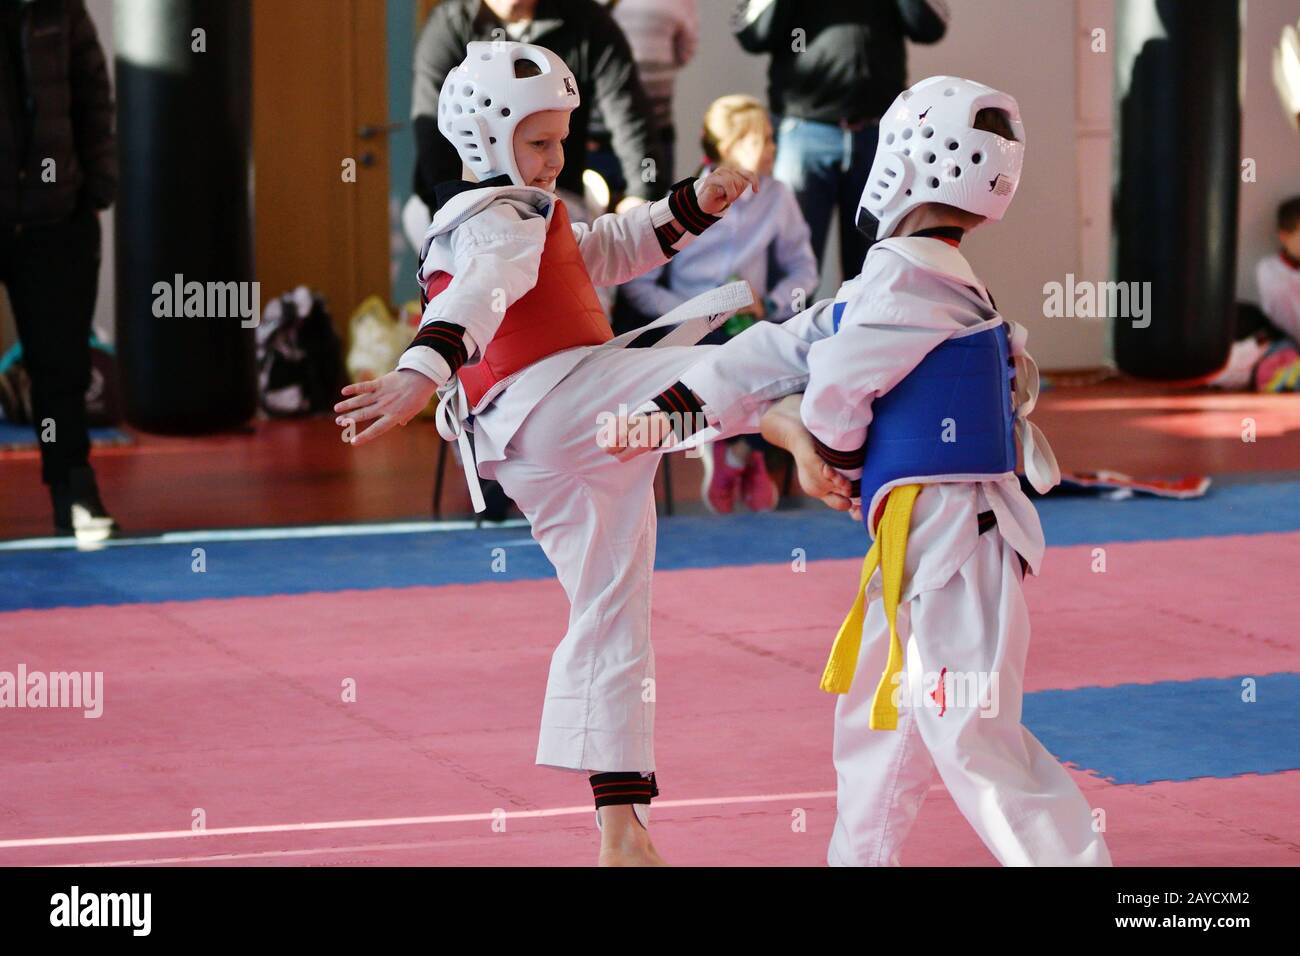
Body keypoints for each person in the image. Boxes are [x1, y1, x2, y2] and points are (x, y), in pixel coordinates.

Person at [334, 41, 837, 866]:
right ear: (486, 141)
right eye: (539, 142)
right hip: (563, 401)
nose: (556, 155)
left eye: (562, 138)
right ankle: (813, 389)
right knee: (755, 355)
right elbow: (484, 287)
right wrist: (421, 370)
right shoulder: (492, 220)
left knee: (611, 616)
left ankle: (621, 827)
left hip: (549, 445)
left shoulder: (530, 211)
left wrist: (692, 206)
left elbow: (604, 251)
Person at [612, 76, 1113, 867]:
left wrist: (830, 453)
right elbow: (787, 345)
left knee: (970, 733)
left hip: (953, 537)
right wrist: (670, 410)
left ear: (902, 162)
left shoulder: (905, 280)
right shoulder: (913, 275)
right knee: (883, 722)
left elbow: (837, 384)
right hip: (925, 540)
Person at [621, 93, 817, 512]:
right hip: (692, 327)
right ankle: (740, 452)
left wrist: (771, 303)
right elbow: (638, 286)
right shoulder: (683, 199)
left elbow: (804, 269)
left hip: (749, 320)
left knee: (774, 348)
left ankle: (739, 455)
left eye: (770, 137)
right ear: (726, 150)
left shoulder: (779, 197)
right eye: (760, 139)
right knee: (730, 358)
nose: (773, 148)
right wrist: (691, 311)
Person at [0, 0, 116, 538]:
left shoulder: (59, 6)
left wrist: (94, 189)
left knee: (61, 367)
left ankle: (74, 490)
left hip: (55, 218)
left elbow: (92, 90)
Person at [732, 0, 949, 282]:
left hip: (881, 138)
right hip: (803, 136)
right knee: (789, 275)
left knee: (874, 274)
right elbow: (752, 34)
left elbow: (931, 26)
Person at [412, 0, 664, 216]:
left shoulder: (588, 21)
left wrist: (642, 194)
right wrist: (458, 211)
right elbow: (433, 137)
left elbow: (631, 117)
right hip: (463, 197)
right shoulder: (448, 27)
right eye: (540, 143)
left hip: (558, 193)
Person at [587, 0, 698, 200]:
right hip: (592, 139)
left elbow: (685, 50)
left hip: (652, 137)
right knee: (589, 219)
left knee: (648, 210)